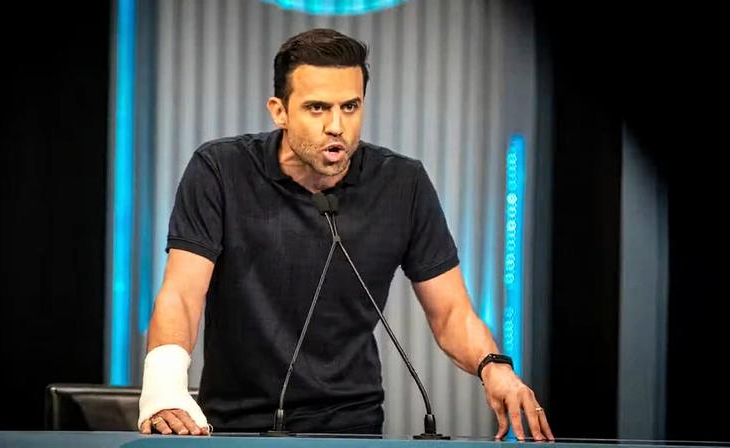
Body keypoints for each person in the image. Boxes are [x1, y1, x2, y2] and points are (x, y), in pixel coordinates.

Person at [137, 28, 554, 441]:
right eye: (317, 108)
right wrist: (165, 387)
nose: (337, 126)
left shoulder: (402, 183)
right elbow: (181, 295)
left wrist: (495, 368)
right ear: (279, 111)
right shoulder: (220, 170)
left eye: (350, 107)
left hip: (352, 428)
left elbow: (452, 313)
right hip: (234, 425)